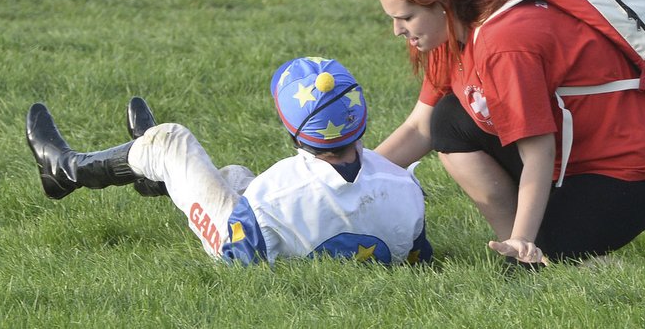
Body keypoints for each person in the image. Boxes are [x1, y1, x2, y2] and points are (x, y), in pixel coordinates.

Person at [373, 0, 645, 267]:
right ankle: (525, 248)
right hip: (572, 161)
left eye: (406, 17)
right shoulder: (450, 31)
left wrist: (525, 240)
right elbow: (420, 127)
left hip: (631, 174)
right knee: (448, 120)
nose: (398, 30)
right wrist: (346, 177)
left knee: (529, 267)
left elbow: (539, 151)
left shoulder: (502, 43)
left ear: (441, 3)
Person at [25, 57, 433, 267]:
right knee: (235, 174)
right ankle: (151, 170)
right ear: (360, 116)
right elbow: (417, 255)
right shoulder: (405, 185)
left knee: (171, 140)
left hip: (239, 243)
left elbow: (244, 253)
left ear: (293, 130)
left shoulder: (279, 187)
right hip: (278, 226)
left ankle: (64, 169)